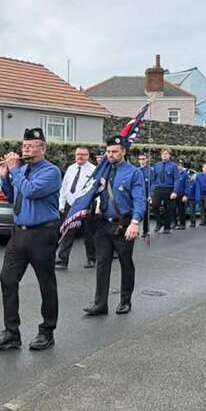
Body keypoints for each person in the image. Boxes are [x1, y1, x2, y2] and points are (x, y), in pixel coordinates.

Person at [0, 128, 62, 351]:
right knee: (7, 279)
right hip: (18, 233)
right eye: (23, 145)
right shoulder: (23, 169)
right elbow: (14, 197)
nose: (25, 148)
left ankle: (47, 331)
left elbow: (30, 191)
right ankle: (11, 332)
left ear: (43, 148)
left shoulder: (51, 172)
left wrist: (14, 170)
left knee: (45, 283)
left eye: (31, 145)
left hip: (42, 233)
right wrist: (5, 177)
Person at [83, 134, 145, 316]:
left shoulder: (134, 173)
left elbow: (140, 200)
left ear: (123, 152)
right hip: (103, 224)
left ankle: (125, 300)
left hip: (123, 224)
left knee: (126, 263)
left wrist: (135, 222)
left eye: (114, 152)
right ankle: (100, 303)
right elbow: (93, 192)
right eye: (108, 151)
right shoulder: (102, 171)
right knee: (102, 263)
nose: (110, 155)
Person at [56, 146, 96, 269]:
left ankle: (92, 259)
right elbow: (64, 187)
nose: (80, 156)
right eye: (78, 154)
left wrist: (98, 205)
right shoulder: (71, 168)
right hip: (70, 205)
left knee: (88, 234)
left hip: (85, 205)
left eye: (83, 154)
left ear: (88, 156)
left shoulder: (94, 170)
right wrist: (61, 204)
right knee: (68, 232)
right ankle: (62, 260)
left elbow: (96, 189)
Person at [151, 148, 177, 234]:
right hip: (158, 188)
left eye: (166, 154)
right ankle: (159, 223)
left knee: (168, 209)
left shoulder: (173, 166)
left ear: (169, 155)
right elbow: (153, 179)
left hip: (169, 189)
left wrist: (175, 191)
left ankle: (167, 227)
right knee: (154, 205)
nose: (164, 155)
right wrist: (151, 192)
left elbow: (176, 179)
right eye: (163, 154)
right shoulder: (156, 165)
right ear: (161, 155)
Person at [173, 162, 190, 229]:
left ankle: (182, 224)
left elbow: (187, 185)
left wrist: (186, 195)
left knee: (181, 210)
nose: (179, 167)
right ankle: (174, 223)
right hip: (174, 194)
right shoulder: (174, 174)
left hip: (181, 194)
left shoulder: (185, 175)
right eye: (178, 165)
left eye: (180, 165)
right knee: (173, 210)